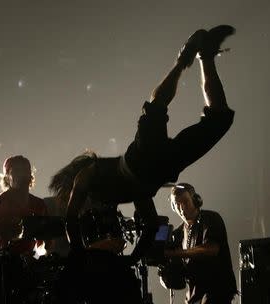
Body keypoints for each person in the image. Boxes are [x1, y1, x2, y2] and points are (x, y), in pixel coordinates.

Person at [49, 25, 235, 304]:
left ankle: (184, 57)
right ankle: (205, 56)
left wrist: (80, 253)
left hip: (139, 161)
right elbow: (149, 227)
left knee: (156, 107)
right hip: (158, 173)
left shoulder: (88, 174)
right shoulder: (134, 194)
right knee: (218, 119)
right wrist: (131, 260)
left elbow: (71, 219)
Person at [0, 155, 50, 303]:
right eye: (16, 171)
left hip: (30, 268)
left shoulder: (39, 204)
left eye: (25, 170)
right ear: (7, 177)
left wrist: (40, 256)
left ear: (30, 175)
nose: (22, 175)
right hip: (4, 270)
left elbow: (44, 245)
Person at [159, 183, 237, 304]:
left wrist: (177, 254)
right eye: (177, 204)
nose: (181, 208)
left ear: (196, 200)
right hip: (194, 297)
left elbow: (211, 249)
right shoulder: (178, 233)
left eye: (185, 201)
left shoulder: (210, 218)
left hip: (217, 291)